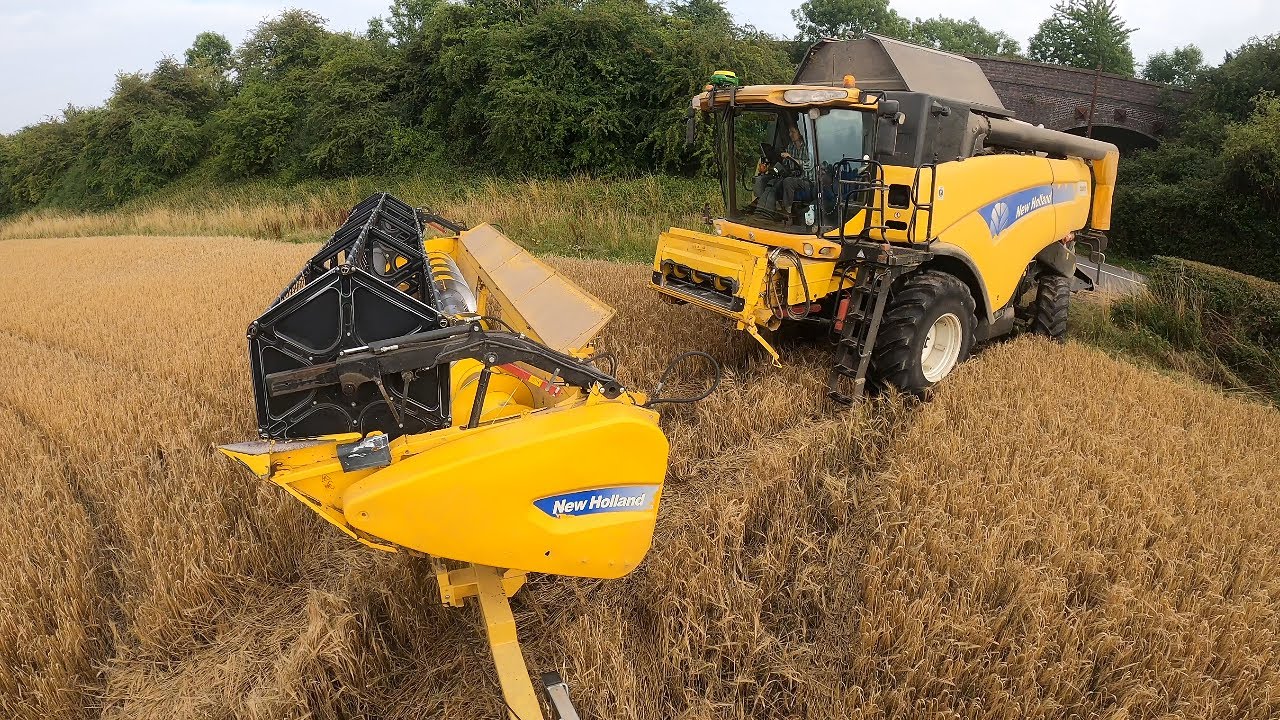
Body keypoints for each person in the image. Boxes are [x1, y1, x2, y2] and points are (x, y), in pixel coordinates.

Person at [753, 125, 814, 215]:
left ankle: (787, 211)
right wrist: (772, 168)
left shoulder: (808, 148)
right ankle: (766, 208)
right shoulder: (790, 147)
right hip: (794, 177)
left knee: (788, 181)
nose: (790, 134)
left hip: (807, 180)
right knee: (773, 181)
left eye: (793, 132)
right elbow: (786, 165)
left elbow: (809, 165)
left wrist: (791, 158)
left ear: (800, 133)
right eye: (789, 132)